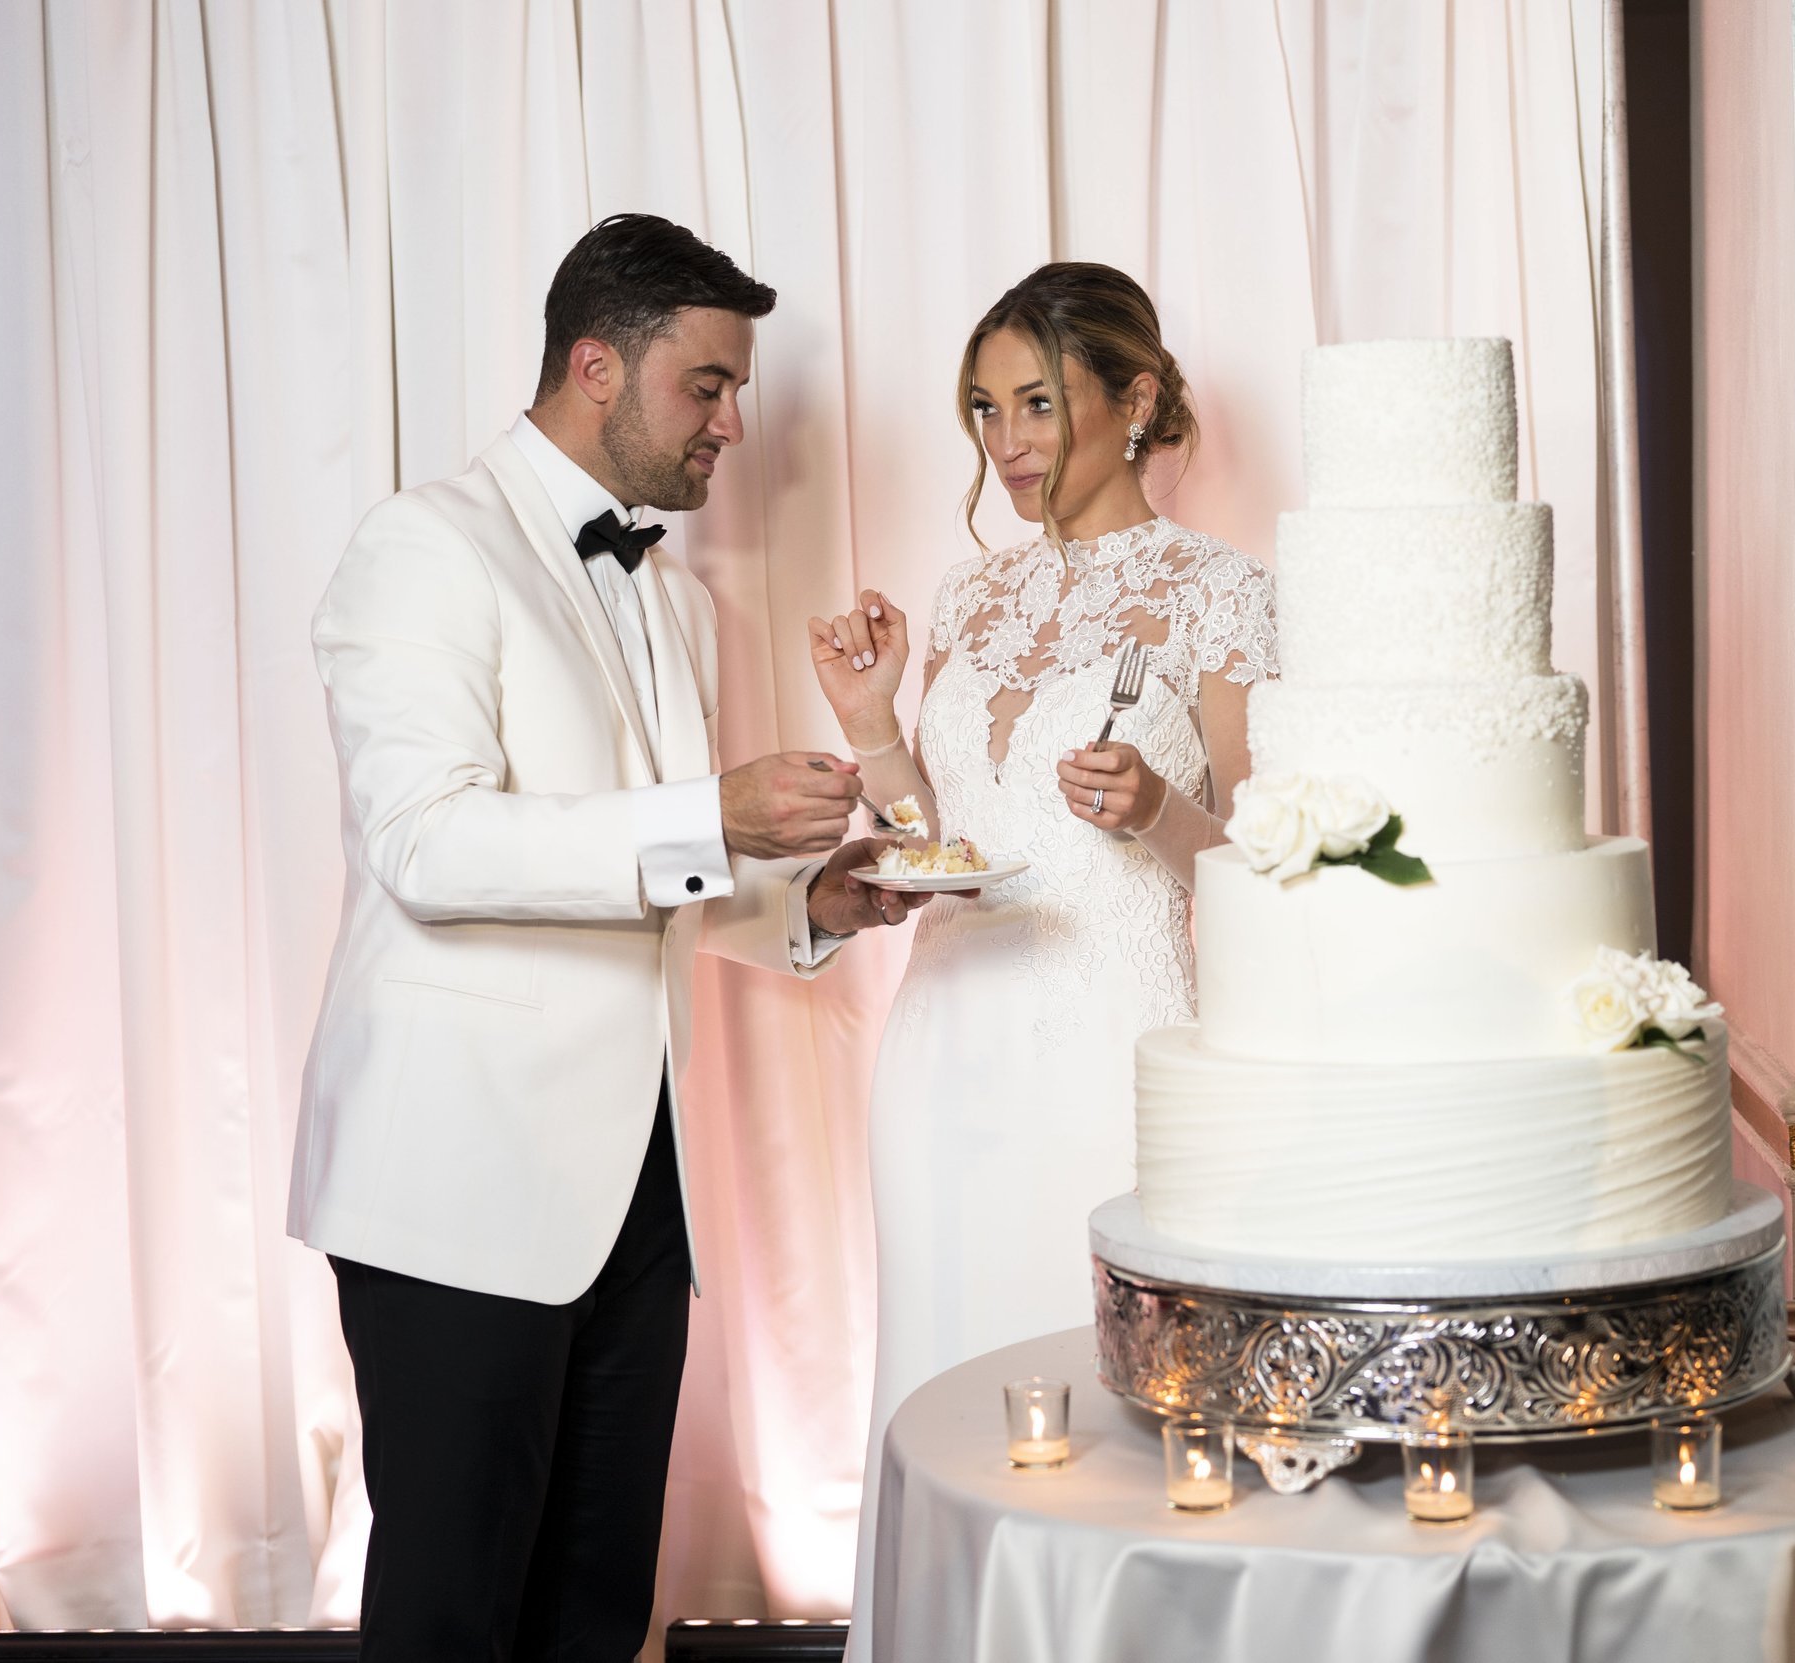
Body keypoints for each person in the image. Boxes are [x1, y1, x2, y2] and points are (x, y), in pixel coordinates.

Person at [287, 213, 921, 1663]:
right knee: (453, 1615)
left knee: (594, 1613)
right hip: (454, 1182)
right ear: (595, 366)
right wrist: (708, 809)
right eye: (707, 385)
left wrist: (812, 902)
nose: (734, 424)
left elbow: (654, 875)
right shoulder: (425, 545)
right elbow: (426, 847)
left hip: (642, 1197)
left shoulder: (678, 599)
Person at [806, 262, 1277, 1647]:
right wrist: (874, 716)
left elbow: (1268, 872)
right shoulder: (968, 600)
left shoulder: (1223, 595)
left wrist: (1165, 811)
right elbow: (932, 847)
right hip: (944, 1051)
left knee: (1109, 1397)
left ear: (1133, 401)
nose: (1004, 443)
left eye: (1035, 404)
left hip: (1116, 1045)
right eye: (981, 409)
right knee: (942, 1382)